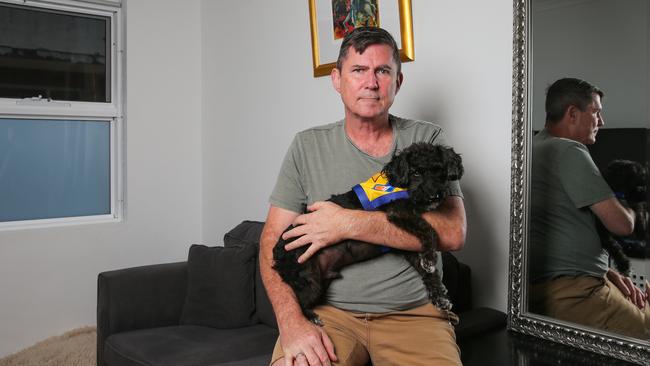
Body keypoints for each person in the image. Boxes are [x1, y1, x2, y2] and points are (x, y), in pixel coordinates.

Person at [259, 27, 466, 366]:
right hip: (329, 314)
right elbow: (270, 240)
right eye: (358, 70)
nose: (371, 82)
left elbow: (453, 232)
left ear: (397, 82)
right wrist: (291, 321)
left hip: (414, 317)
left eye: (383, 71)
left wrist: (347, 223)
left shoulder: (427, 138)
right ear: (337, 79)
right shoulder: (307, 145)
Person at [529, 77, 650, 339]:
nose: (602, 122)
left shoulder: (533, 148)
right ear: (573, 113)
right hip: (577, 293)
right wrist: (635, 207)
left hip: (561, 285)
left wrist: (607, 273)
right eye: (596, 112)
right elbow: (622, 224)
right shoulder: (569, 150)